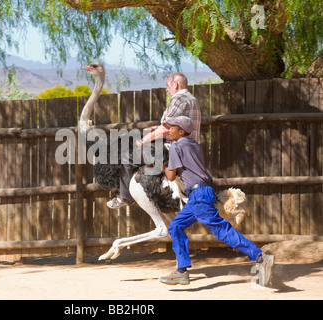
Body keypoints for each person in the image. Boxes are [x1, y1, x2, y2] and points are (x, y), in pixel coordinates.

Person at [159, 115, 275, 286]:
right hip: (203, 192)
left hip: (198, 194)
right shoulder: (194, 144)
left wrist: (161, 164)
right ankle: (181, 271)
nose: (169, 130)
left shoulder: (176, 146)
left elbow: (170, 175)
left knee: (221, 230)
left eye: (172, 127)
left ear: (181, 131)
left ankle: (260, 257)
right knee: (176, 226)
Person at [107, 72, 201, 209]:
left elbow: (166, 129)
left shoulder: (179, 99)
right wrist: (154, 128)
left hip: (173, 147)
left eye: (168, 85)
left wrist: (143, 140)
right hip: (190, 147)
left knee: (127, 159)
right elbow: (172, 125)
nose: (166, 89)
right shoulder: (192, 99)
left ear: (175, 85)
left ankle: (124, 197)